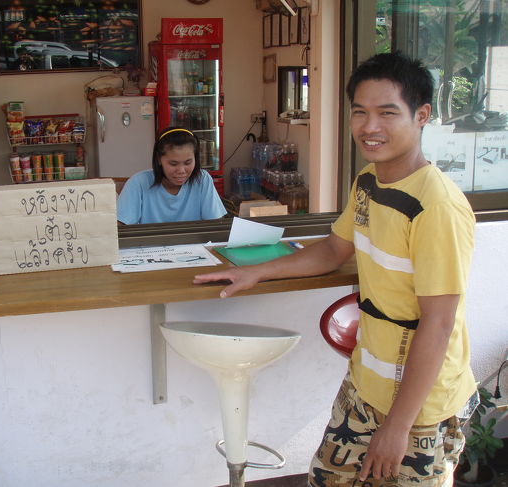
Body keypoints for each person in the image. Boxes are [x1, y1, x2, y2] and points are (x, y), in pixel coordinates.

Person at [193, 52, 478, 487]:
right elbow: (332, 250)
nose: (370, 127)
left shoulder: (435, 205)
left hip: (422, 406)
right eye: (359, 112)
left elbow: (437, 325)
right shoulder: (369, 181)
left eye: (387, 113)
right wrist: (256, 272)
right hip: (366, 384)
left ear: (422, 115)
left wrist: (398, 426)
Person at [116, 127, 227, 224]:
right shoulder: (139, 183)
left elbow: (216, 223)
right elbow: (120, 226)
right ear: (159, 159)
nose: (181, 170)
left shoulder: (202, 179)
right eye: (173, 164)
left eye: (188, 162)